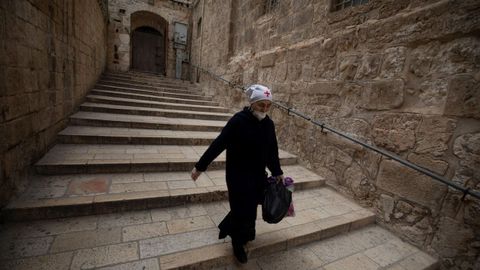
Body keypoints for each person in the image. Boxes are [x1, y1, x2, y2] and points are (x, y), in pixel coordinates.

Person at [191, 84, 284, 264]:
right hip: (237, 175)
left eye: (268, 105)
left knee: (251, 207)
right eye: (261, 105)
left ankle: (246, 233)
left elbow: (272, 150)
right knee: (242, 207)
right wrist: (200, 167)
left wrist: (277, 171)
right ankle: (237, 243)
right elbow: (218, 144)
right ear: (252, 103)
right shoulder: (238, 121)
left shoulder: (268, 124)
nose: (264, 109)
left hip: (258, 175)